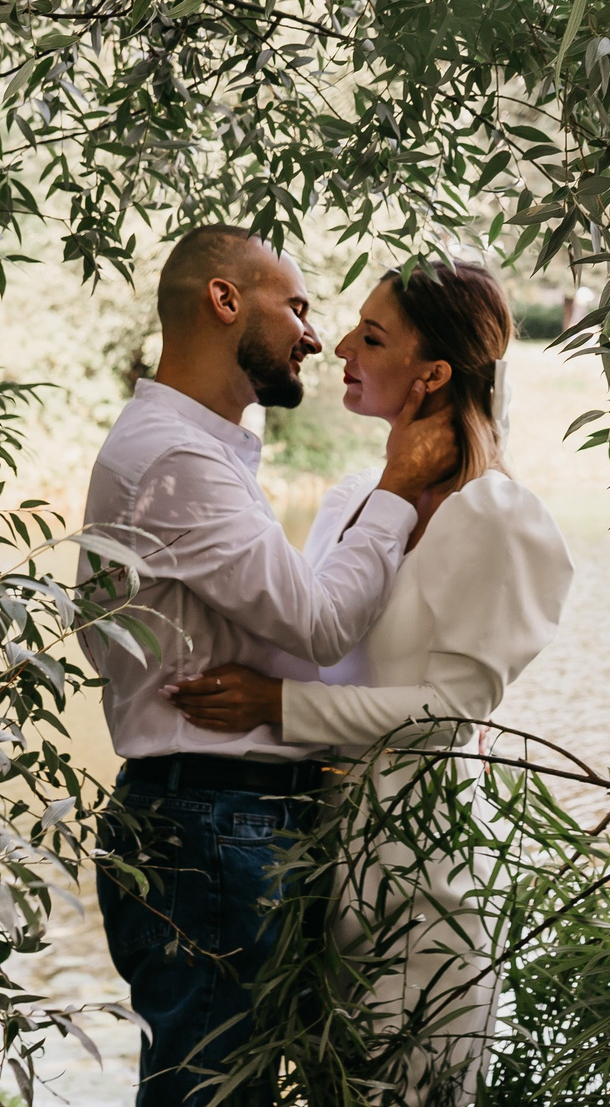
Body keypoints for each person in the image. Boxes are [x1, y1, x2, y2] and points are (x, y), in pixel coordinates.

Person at [166, 256, 573, 1107]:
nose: (341, 344)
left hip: (426, 875)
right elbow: (310, 632)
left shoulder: (498, 517)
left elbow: (455, 711)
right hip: (317, 862)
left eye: (373, 336)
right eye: (352, 325)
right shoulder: (356, 497)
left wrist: (279, 707)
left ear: (433, 374)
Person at [77, 225, 456, 1107]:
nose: (314, 337)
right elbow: (320, 622)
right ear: (224, 301)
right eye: (297, 307)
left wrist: (283, 702)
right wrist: (398, 490)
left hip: (213, 821)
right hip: (211, 826)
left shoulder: (191, 451)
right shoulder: (178, 462)